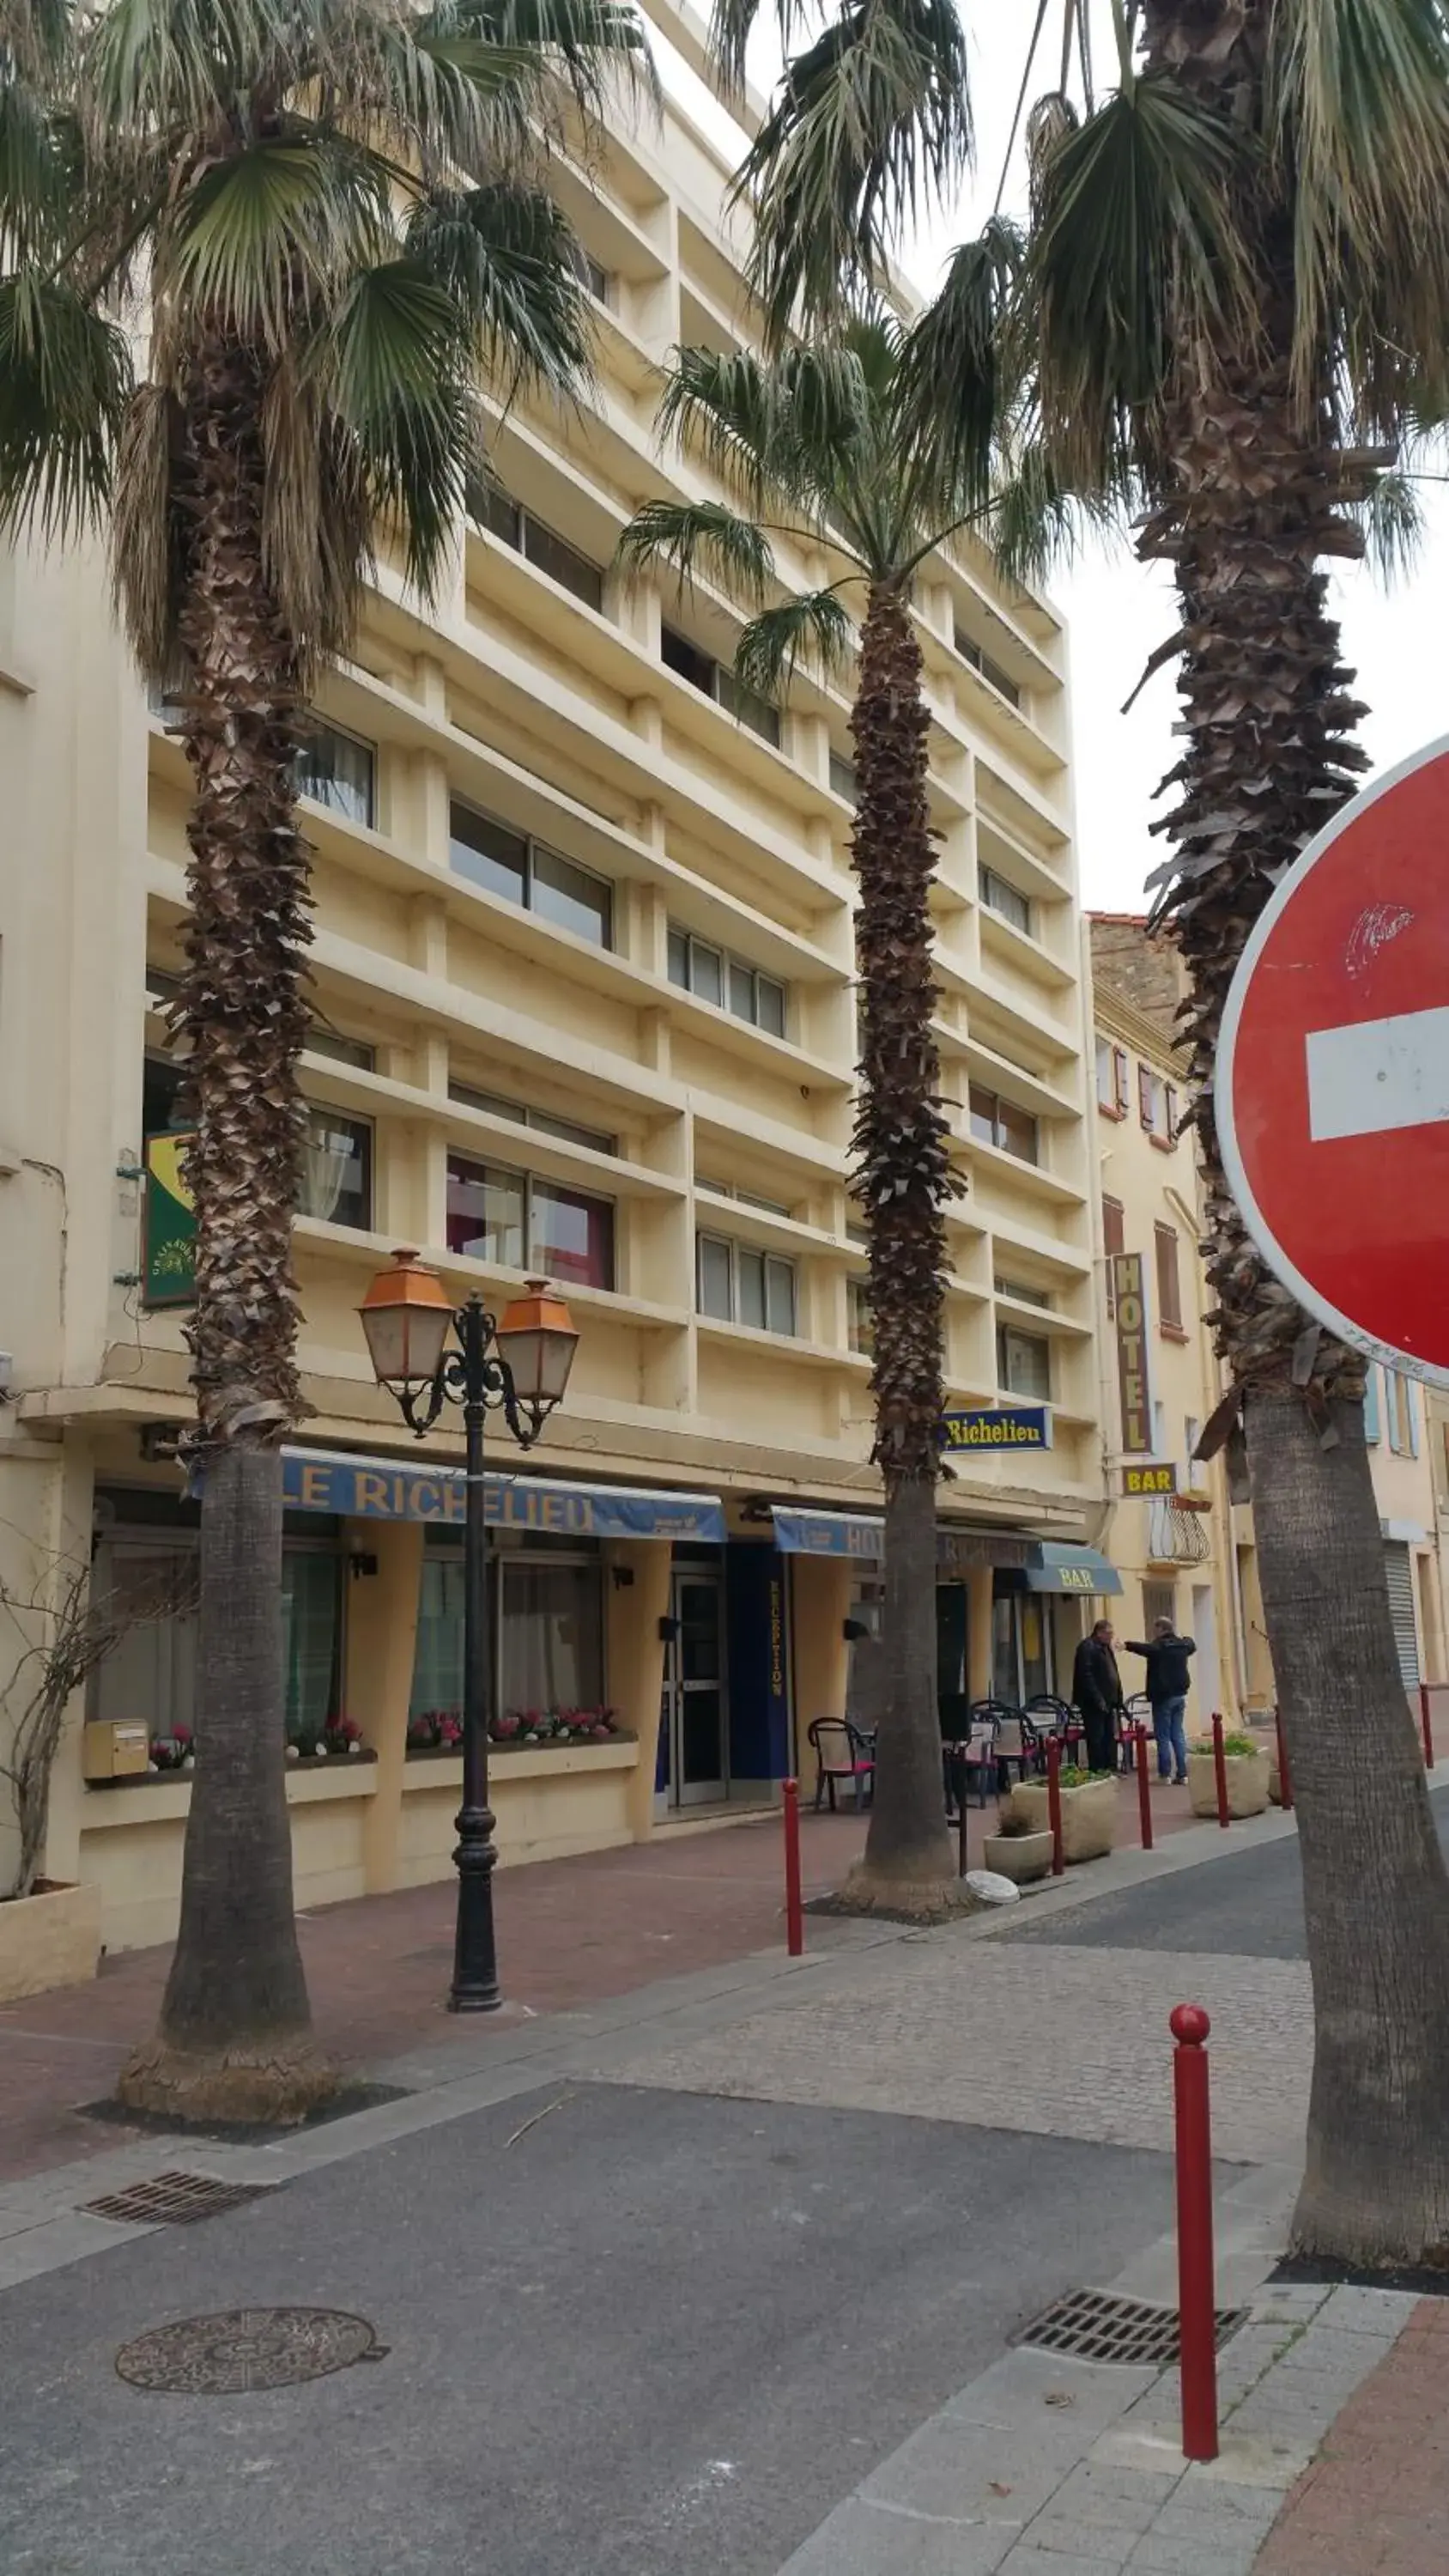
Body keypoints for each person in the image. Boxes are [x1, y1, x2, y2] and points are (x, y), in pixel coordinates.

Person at [1125, 1616, 1197, 1786]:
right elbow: (1191, 1643)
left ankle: (1165, 1775)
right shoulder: (1183, 1645)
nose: (1154, 1634)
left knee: (1163, 1736)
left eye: (1155, 1630)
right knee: (1178, 1735)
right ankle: (1183, 1773)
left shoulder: (1159, 1647)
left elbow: (1144, 1648)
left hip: (1163, 1698)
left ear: (1161, 1629)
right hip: (1180, 1695)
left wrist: (1126, 1645)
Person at [1070, 1619, 1125, 1774]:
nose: (1111, 1637)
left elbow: (1113, 1671)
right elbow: (1086, 1676)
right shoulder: (1087, 1647)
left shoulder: (1105, 1647)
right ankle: (1098, 1769)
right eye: (1108, 1633)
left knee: (1109, 1736)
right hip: (1093, 1702)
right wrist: (1098, 1699)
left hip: (1109, 1700)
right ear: (1099, 1632)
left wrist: (1118, 1695)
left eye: (1112, 1634)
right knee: (1096, 1737)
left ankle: (1111, 1767)